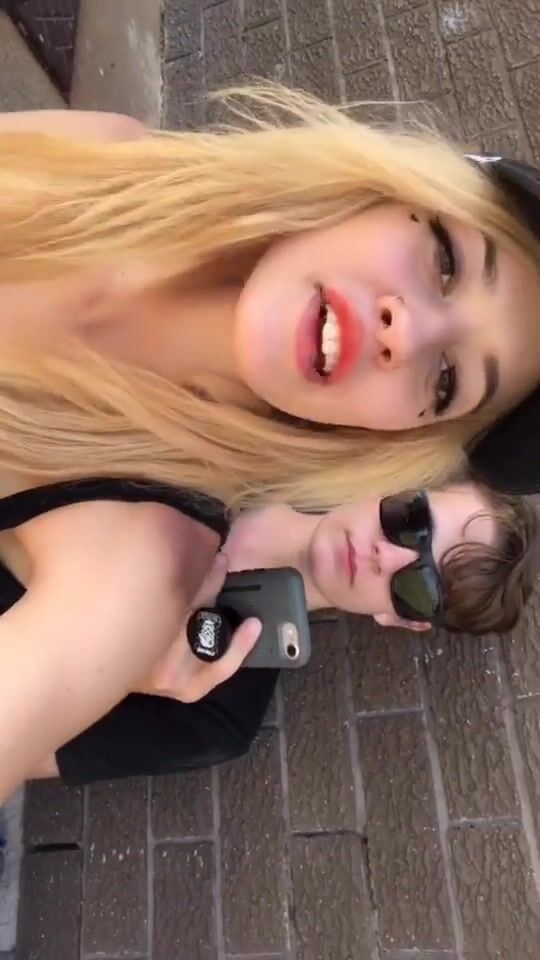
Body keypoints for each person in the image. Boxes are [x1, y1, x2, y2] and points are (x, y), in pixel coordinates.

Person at [1, 85, 540, 799]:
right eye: (446, 260)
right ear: (388, 189)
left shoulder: (141, 564)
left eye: (447, 381)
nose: (406, 331)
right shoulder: (107, 153)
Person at [28, 480, 538, 785]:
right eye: (412, 520)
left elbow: (16, 754)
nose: (388, 554)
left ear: (401, 619)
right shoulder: (235, 444)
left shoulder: (214, 716)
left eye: (420, 586)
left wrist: (125, 673)